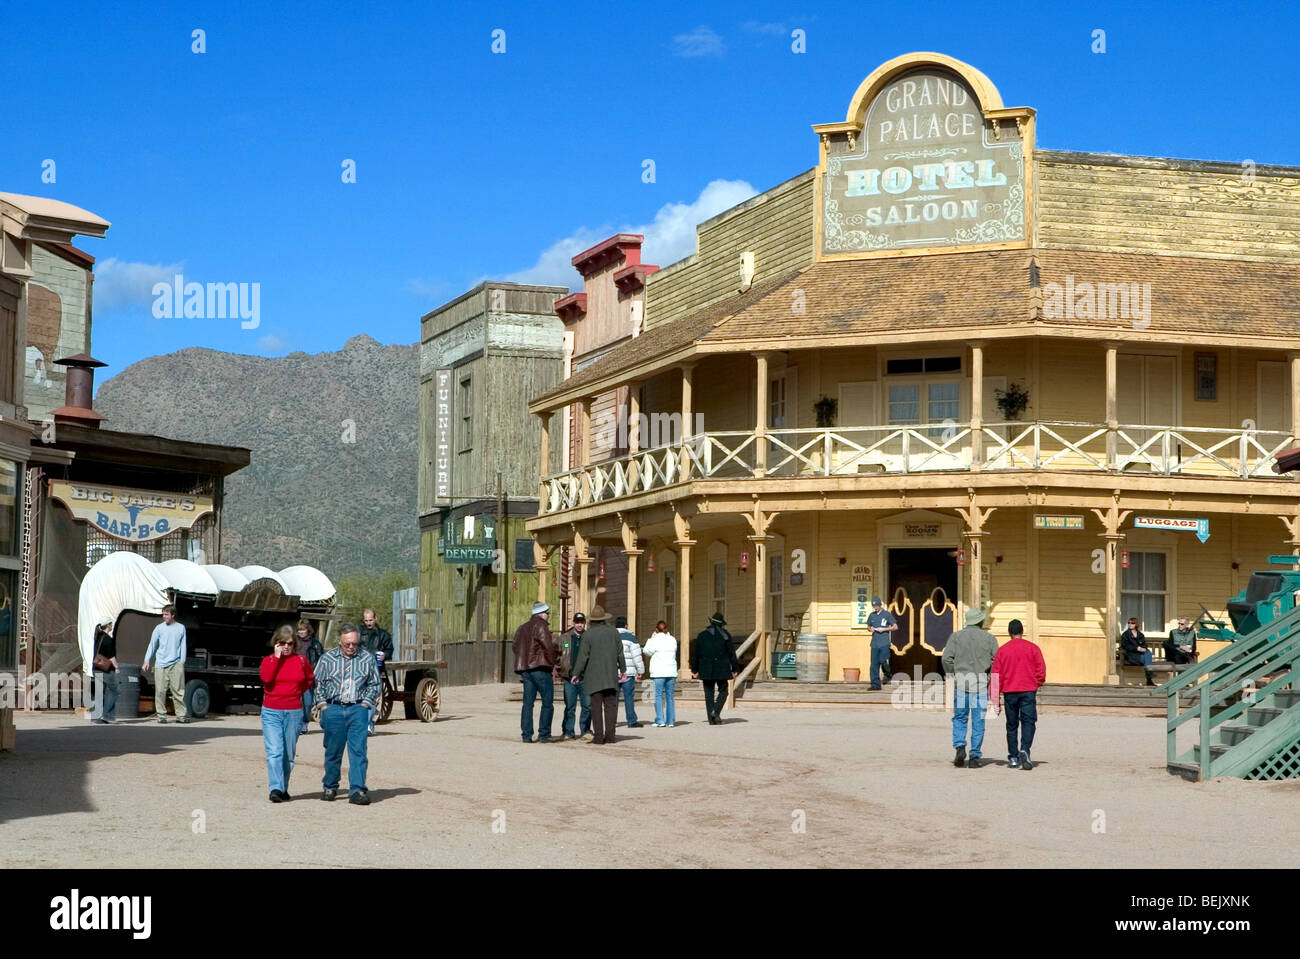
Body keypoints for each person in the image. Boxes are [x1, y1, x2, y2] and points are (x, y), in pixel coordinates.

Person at [314, 622, 381, 804]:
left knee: (358, 751)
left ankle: (357, 790)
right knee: (333, 751)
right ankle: (330, 786)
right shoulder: (327, 659)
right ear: (340, 641)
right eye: (347, 644)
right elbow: (316, 683)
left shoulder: (367, 659)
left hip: (357, 709)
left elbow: (375, 684)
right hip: (333, 708)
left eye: (355, 643)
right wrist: (323, 706)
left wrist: (366, 704)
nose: (351, 647)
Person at [260, 625, 316, 802]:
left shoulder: (300, 661)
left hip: (293, 711)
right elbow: (266, 679)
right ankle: (275, 788)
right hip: (272, 711)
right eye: (282, 643)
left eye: (289, 643)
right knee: (275, 751)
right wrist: (276, 659)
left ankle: (283, 787)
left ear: (294, 644)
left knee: (288, 754)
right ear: (276, 643)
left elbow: (309, 679)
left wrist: (296, 693)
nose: (286, 647)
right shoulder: (268, 661)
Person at [941, 607, 998, 768]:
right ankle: (974, 756)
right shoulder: (989, 638)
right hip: (980, 685)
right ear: (981, 621)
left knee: (960, 718)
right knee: (978, 721)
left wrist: (953, 673)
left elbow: (946, 659)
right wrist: (988, 676)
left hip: (961, 684)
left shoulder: (956, 637)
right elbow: (997, 661)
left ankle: (960, 746)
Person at [991, 619, 1047, 770]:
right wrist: (1036, 683)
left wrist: (995, 699)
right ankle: (1025, 749)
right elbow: (1041, 671)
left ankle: (1013, 757)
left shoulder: (1002, 651)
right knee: (1028, 722)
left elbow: (996, 675)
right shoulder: (1033, 648)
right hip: (1028, 690)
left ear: (1009, 633)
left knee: (1012, 725)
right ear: (1022, 631)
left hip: (1010, 692)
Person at [571, 606, 626, 744]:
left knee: (596, 707)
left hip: (593, 676)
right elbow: (620, 653)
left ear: (592, 620)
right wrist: (623, 670)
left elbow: (583, 657)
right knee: (611, 707)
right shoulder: (614, 632)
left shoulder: (587, 635)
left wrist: (576, 673)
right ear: (604, 619)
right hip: (611, 675)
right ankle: (611, 736)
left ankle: (599, 737)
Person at [513, 601, 557, 743]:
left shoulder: (522, 627)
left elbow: (515, 646)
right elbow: (547, 646)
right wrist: (551, 664)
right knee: (547, 702)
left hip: (526, 670)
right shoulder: (541, 625)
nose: (548, 616)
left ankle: (526, 735)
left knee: (527, 703)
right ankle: (543, 734)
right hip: (541, 668)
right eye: (547, 613)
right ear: (542, 613)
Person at [142, 604, 189, 723]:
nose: (164, 617)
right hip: (161, 664)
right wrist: (147, 660)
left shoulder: (181, 628)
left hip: (176, 663)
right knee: (160, 691)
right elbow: (152, 644)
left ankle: (181, 715)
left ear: (173, 615)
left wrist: (181, 662)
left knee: (178, 691)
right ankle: (162, 715)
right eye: (163, 614)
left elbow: (183, 646)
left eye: (166, 614)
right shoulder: (159, 628)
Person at [691, 612, 738, 725]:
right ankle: (716, 712)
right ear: (722, 624)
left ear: (711, 622)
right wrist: (735, 668)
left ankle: (711, 719)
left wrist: (694, 669)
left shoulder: (702, 635)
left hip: (706, 668)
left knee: (709, 694)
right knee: (724, 691)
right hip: (722, 668)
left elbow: (696, 654)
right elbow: (732, 653)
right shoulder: (726, 635)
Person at [359, 609, 394, 735]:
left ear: (375, 619)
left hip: (376, 670)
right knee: (360, 699)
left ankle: (369, 724)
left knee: (373, 698)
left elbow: (390, 650)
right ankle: (363, 724)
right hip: (360, 671)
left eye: (370, 620)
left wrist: (385, 655)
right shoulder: (358, 633)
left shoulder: (383, 635)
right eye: (366, 620)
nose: (368, 623)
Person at [558, 612, 591, 740]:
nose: (579, 625)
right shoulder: (565, 638)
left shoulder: (588, 637)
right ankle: (568, 732)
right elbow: (557, 652)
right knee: (570, 707)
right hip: (569, 677)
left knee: (587, 706)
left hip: (585, 678)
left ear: (584, 623)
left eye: (581, 622)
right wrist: (560, 667)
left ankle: (586, 730)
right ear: (573, 623)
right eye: (577, 622)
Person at [643, 620, 679, 727]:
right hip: (671, 671)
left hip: (658, 672)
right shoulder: (672, 639)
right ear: (666, 629)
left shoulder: (654, 640)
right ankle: (671, 721)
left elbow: (646, 651)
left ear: (656, 629)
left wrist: (651, 638)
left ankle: (660, 720)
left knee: (658, 695)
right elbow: (675, 649)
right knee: (670, 696)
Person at [294, 619, 325, 735]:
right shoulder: (293, 643)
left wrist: (316, 673)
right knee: (295, 702)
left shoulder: (316, 645)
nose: (301, 632)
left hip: (309, 677)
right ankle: (297, 724)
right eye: (299, 630)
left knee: (307, 702)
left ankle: (305, 722)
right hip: (295, 676)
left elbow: (321, 660)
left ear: (308, 630)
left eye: (303, 630)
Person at [615, 616, 645, 728]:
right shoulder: (631, 637)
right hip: (628, 672)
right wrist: (641, 671)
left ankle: (612, 720)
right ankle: (631, 721)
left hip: (614, 672)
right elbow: (637, 656)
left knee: (613, 698)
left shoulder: (611, 636)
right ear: (626, 625)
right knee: (629, 697)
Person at [90, 618, 119, 724]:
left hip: (96, 667)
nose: (112, 626)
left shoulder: (98, 637)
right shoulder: (108, 639)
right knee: (114, 690)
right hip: (105, 669)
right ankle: (108, 715)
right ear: (108, 625)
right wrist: (116, 667)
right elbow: (111, 657)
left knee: (98, 692)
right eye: (111, 624)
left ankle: (95, 717)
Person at [866, 597, 897, 690]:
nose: (875, 607)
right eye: (873, 606)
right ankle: (875, 685)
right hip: (875, 643)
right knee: (874, 664)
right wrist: (870, 629)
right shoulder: (872, 615)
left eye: (876, 605)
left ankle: (888, 675)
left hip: (884, 642)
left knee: (883, 661)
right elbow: (868, 626)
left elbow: (895, 627)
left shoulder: (887, 614)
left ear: (880, 605)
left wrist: (884, 629)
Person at [1119, 617, 1155, 686]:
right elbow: (1125, 646)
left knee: (1148, 653)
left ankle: (1149, 678)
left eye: (1132, 623)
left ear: (1136, 624)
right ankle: (1149, 678)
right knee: (1148, 657)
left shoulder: (1140, 635)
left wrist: (1143, 648)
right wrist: (1136, 648)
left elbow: (1145, 645)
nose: (1130, 624)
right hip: (1131, 655)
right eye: (1129, 623)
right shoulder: (1125, 634)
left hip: (1141, 655)